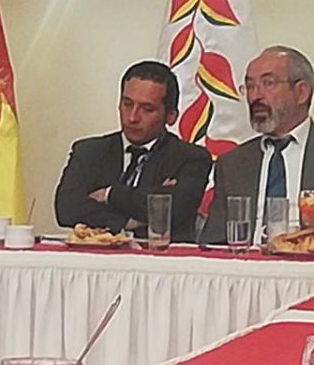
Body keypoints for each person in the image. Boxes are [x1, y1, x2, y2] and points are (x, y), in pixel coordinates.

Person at [200, 46, 314, 250]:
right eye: (250, 86)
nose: (255, 96)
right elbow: (213, 244)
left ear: (301, 92)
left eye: (268, 84)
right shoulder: (232, 164)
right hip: (246, 267)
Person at [54, 61, 212, 242]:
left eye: (147, 109)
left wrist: (110, 194)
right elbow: (67, 208)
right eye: (127, 104)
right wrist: (129, 221)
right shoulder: (89, 152)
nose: (132, 117)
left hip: (162, 257)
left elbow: (177, 208)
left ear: (171, 116)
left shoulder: (191, 158)